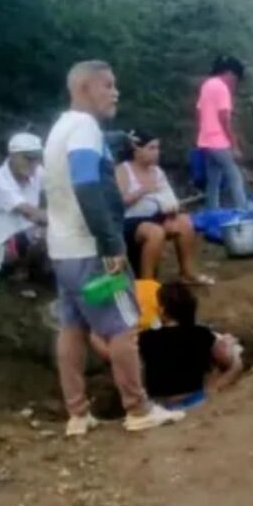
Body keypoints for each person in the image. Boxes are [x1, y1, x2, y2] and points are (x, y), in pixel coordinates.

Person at [44, 59, 184, 436]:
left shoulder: (60, 128)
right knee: (123, 324)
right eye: (107, 85)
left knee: (72, 326)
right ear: (84, 89)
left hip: (63, 250)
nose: (115, 91)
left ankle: (77, 414)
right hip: (93, 250)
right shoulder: (85, 128)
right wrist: (110, 242)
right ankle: (138, 409)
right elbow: (87, 184)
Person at [116, 130, 210, 284]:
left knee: (184, 222)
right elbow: (118, 204)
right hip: (130, 221)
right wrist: (143, 190)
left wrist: (172, 210)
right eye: (151, 148)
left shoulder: (157, 171)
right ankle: (148, 284)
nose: (156, 153)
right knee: (155, 232)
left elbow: (168, 199)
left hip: (155, 216)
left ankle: (187, 272)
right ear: (137, 150)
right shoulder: (123, 170)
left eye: (157, 148)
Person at [138, 281, 244, 403]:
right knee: (235, 365)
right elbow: (223, 357)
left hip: (160, 403)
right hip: (194, 398)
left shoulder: (146, 338)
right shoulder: (202, 334)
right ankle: (212, 389)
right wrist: (231, 351)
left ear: (162, 310)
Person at [0, 132, 48, 280]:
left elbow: (60, 188)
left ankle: (32, 271)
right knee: (46, 233)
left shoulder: (37, 172)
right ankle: (20, 271)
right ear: (12, 155)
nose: (33, 163)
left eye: (37, 158)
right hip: (1, 250)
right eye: (28, 158)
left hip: (23, 238)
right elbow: (31, 213)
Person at [196, 55, 248, 210]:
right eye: (235, 79)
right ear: (230, 73)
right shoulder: (222, 88)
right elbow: (224, 118)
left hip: (205, 140)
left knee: (213, 180)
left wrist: (206, 129)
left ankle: (212, 211)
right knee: (235, 176)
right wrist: (234, 145)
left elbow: (199, 111)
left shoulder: (207, 85)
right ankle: (243, 210)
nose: (234, 83)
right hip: (219, 142)